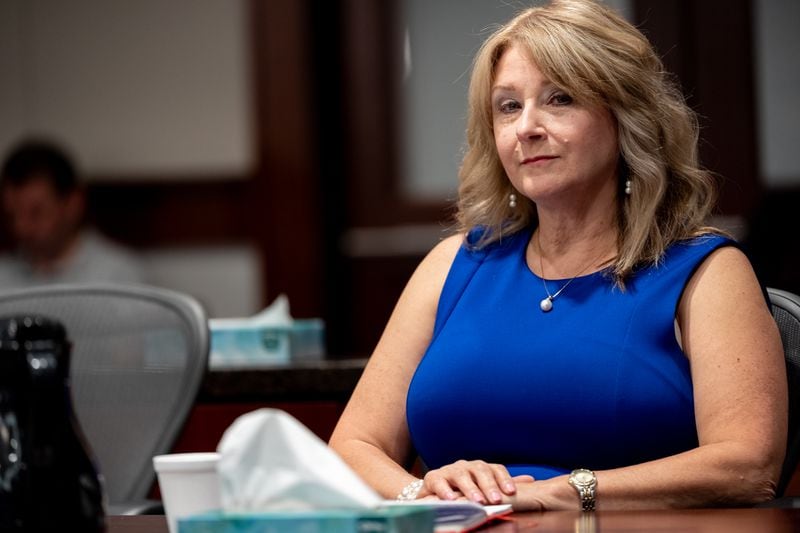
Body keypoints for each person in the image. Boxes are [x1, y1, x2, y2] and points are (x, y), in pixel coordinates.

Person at [329, 0, 787, 511]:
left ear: (625, 117)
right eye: (508, 106)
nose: (526, 127)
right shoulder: (453, 264)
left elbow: (746, 465)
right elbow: (352, 447)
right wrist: (422, 494)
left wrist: (568, 492)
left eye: (559, 99)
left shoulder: (705, 270)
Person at [0, 138, 145, 289]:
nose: (21, 227)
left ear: (73, 204)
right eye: (12, 215)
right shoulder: (2, 276)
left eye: (36, 213)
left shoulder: (119, 276)